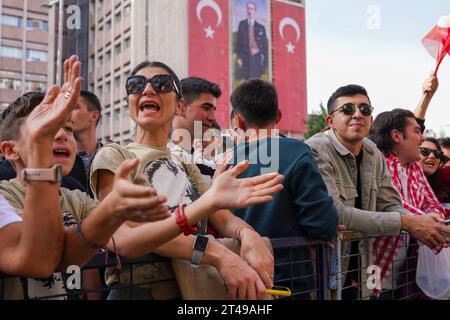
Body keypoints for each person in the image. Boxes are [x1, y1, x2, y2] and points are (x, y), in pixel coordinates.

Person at [0, 56, 235, 300]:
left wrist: (114, 210)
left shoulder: (77, 200)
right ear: (10, 150)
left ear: (179, 105)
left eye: (68, 128)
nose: (61, 135)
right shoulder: (6, 197)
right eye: (47, 128)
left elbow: (124, 240)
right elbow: (38, 261)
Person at [90, 60, 284, 300]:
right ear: (130, 100)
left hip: (193, 288)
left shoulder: (183, 159)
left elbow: (221, 217)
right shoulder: (114, 155)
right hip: (141, 290)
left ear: (180, 106)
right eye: (136, 84)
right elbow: (124, 237)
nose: (148, 90)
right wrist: (218, 254)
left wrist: (248, 235)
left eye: (161, 84)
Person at [305, 84, 450, 299]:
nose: (357, 114)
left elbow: (390, 203)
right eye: (347, 109)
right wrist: (409, 223)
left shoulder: (372, 152)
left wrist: (427, 225)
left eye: (365, 110)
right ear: (330, 121)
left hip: (364, 269)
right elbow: (336, 213)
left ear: (371, 119)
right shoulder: (316, 149)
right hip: (326, 269)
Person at [227, 79, 338, 298]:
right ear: (278, 116)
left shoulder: (226, 160)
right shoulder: (297, 152)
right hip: (290, 280)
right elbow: (322, 224)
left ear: (238, 122)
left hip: (240, 279)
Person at [171, 77, 222, 181]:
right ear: (180, 107)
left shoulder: (209, 166)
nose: (212, 117)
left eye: (213, 110)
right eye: (206, 108)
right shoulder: (158, 158)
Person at [236, 1, 268, 80]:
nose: (249, 11)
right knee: (247, 81)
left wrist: (264, 60)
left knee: (256, 81)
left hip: (257, 57)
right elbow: (239, 42)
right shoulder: (242, 24)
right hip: (245, 56)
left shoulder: (261, 27)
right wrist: (239, 58)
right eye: (248, 8)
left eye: (251, 9)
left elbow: (264, 45)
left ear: (255, 11)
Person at [418, 138, 450, 206]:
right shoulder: (400, 180)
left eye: (437, 153)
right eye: (425, 151)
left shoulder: (443, 181)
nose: (432, 156)